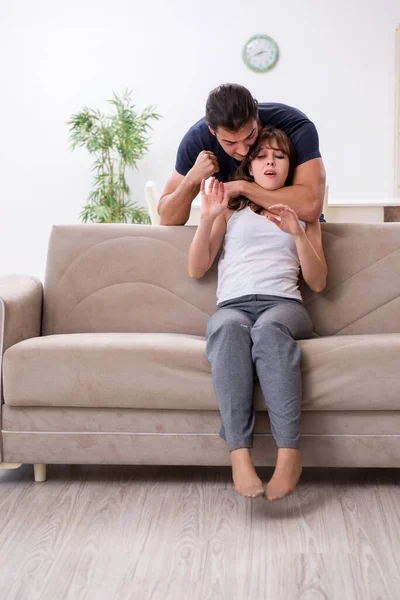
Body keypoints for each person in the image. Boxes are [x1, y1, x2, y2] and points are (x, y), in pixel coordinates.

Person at [188, 126, 328, 501]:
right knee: (229, 328)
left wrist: (297, 234)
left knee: (267, 331)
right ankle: (239, 455)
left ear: (288, 168)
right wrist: (206, 217)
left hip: (284, 306)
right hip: (233, 305)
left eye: (279, 156)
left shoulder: (303, 214)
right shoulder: (230, 209)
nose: (270, 161)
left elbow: (317, 283)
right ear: (249, 166)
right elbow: (197, 268)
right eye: (262, 155)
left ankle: (289, 456)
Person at [158, 83, 326, 226]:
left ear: (257, 116)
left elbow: (310, 206)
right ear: (212, 131)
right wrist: (191, 180)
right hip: (241, 236)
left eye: (250, 136)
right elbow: (167, 218)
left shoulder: (294, 125)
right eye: (230, 143)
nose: (244, 151)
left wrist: (242, 187)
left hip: (298, 228)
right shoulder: (197, 140)